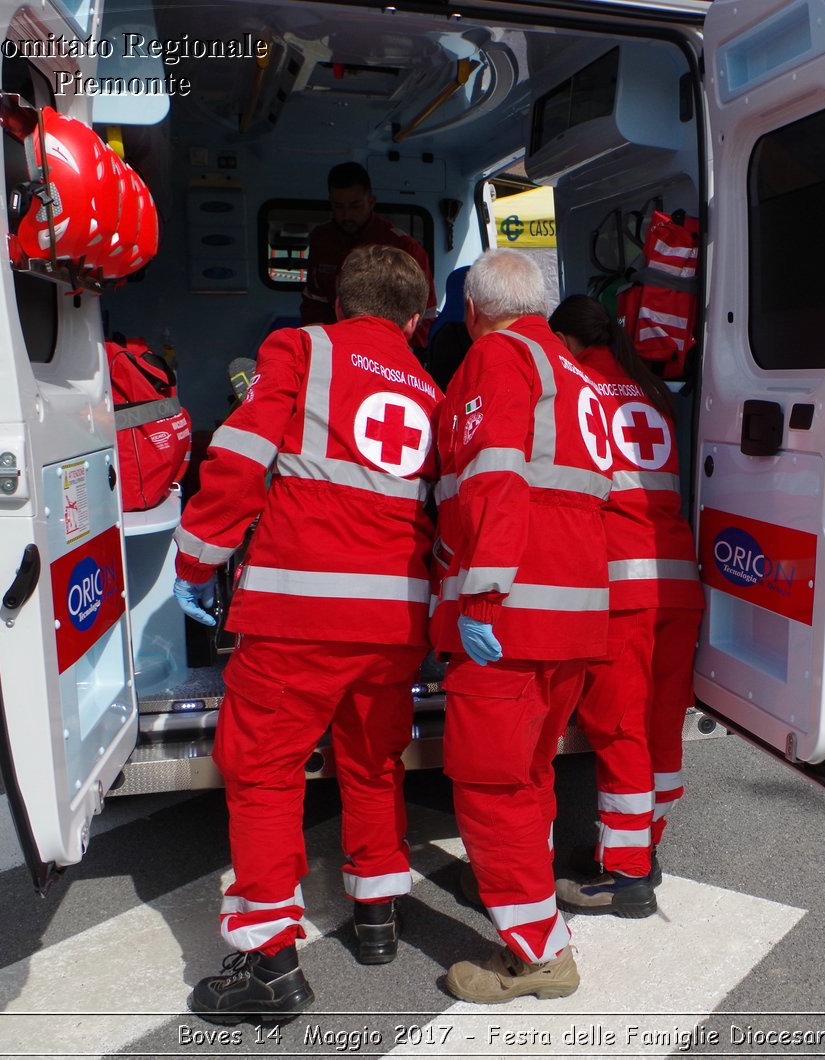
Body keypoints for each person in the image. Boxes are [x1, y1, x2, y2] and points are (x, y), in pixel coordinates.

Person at [173, 246, 440, 1022]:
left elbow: (242, 454)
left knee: (263, 774)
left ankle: (271, 965)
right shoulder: (431, 387)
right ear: (416, 321)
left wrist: (196, 555)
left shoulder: (302, 348)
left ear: (336, 303)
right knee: (374, 761)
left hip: (299, 614)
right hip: (396, 621)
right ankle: (378, 916)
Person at [431, 250, 611, 1004]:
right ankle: (524, 898)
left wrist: (481, 595)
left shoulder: (497, 360)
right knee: (531, 776)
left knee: (489, 782)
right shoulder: (576, 374)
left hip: (512, 614)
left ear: (472, 312)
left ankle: (539, 954)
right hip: (573, 615)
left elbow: (494, 480)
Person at [546, 294, 703, 919]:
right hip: (677, 582)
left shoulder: (579, 390)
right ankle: (646, 846)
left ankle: (628, 876)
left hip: (622, 585)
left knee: (618, 728)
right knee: (661, 724)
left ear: (568, 340)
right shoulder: (650, 392)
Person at [301, 162, 436, 327]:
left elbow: (425, 317)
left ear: (371, 202)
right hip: (333, 343)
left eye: (355, 206)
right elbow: (314, 303)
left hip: (388, 346)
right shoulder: (322, 240)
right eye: (338, 207)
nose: (347, 215)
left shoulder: (404, 247)